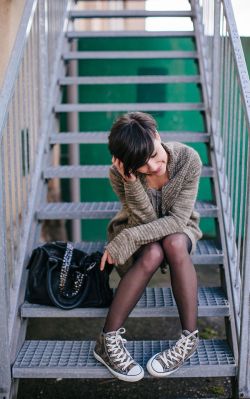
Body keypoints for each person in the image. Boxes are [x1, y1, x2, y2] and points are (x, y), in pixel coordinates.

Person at [93, 112, 203, 382]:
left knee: (175, 243)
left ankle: (189, 340)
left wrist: (127, 240)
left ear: (156, 135)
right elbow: (145, 220)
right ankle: (107, 341)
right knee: (154, 250)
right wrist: (131, 182)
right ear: (127, 165)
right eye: (141, 165)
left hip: (180, 228)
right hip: (137, 227)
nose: (153, 167)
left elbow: (177, 220)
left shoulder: (188, 159)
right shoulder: (120, 174)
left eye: (154, 155)